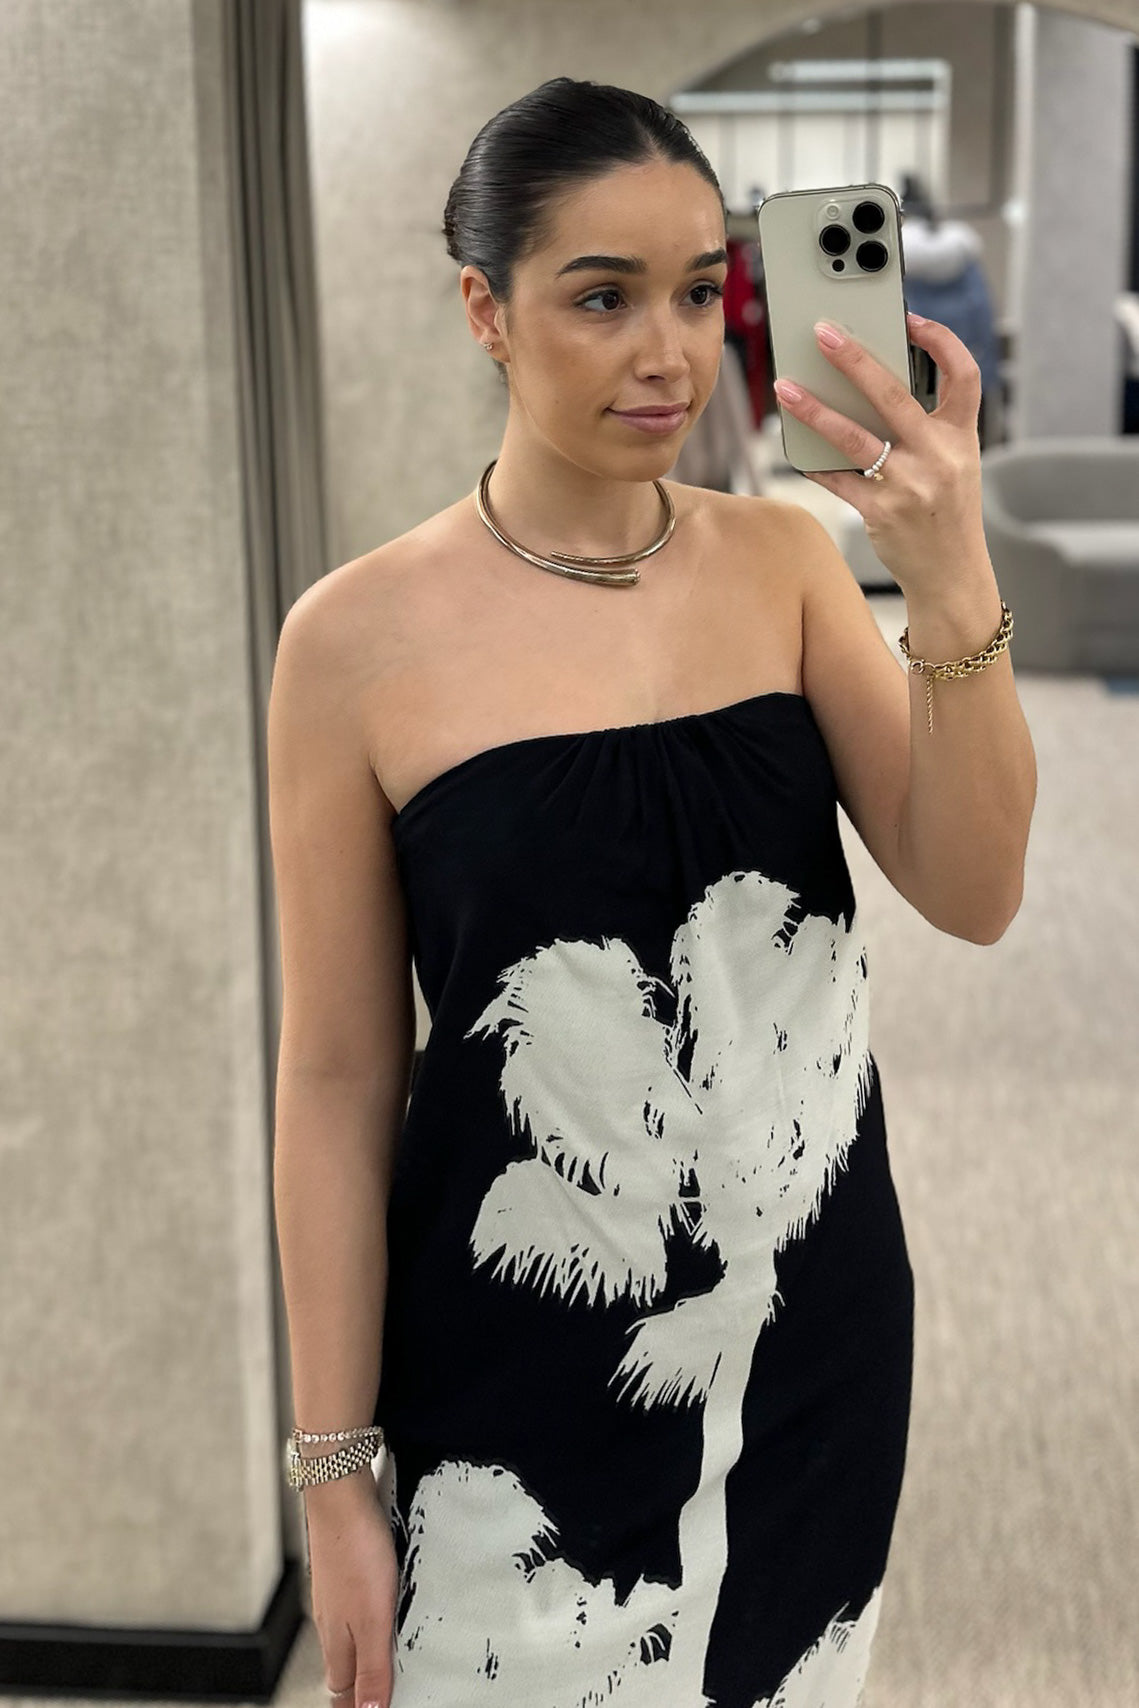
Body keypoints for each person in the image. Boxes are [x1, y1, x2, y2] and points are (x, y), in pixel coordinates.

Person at [269, 77, 1031, 1708]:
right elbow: (335, 1078)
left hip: (805, 1329)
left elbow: (975, 888)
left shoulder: (785, 567)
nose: (670, 352)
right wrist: (334, 1472)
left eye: (697, 291)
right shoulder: (352, 644)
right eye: (602, 298)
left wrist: (953, 573)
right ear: (486, 310)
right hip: (517, 1357)